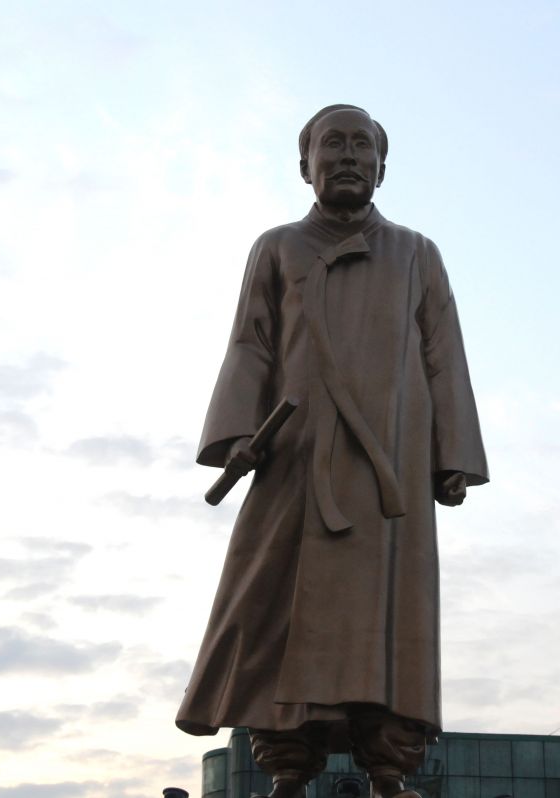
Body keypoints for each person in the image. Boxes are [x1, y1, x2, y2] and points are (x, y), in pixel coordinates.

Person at [176, 104, 488, 798]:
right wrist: (235, 432)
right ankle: (288, 766)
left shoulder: (417, 252)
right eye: (332, 144)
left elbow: (444, 357)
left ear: (382, 166)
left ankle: (390, 768)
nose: (348, 156)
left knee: (391, 620)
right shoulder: (278, 247)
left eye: (362, 146)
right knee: (275, 607)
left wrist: (453, 453)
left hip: (390, 463)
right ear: (304, 165)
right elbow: (252, 342)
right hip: (295, 450)